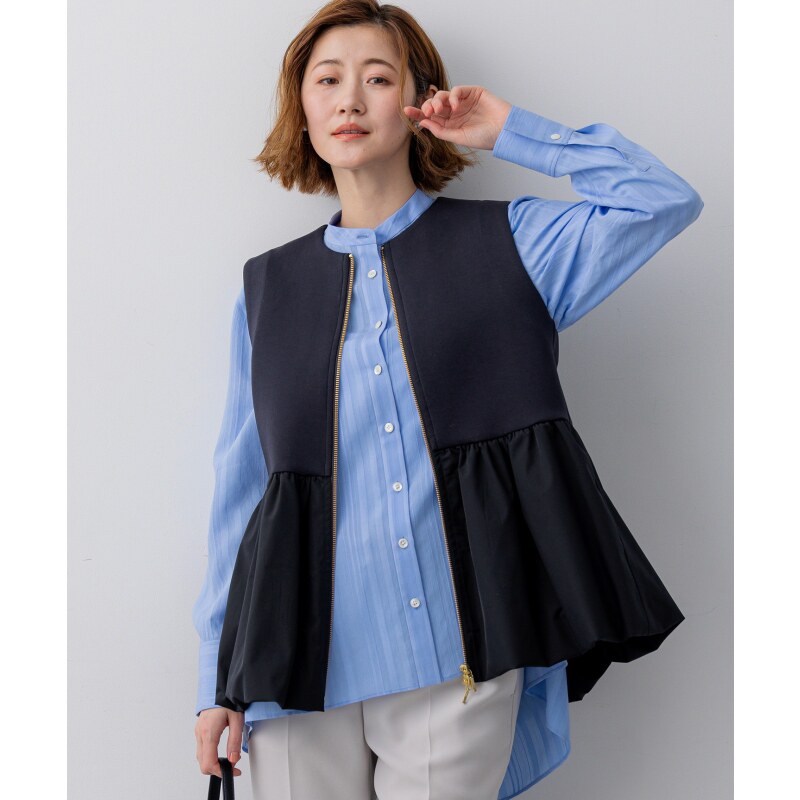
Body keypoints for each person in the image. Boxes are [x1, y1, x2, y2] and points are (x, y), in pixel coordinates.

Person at [192, 1, 704, 798]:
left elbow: (661, 201)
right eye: (326, 80)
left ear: (418, 100)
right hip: (292, 667)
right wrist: (216, 679)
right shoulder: (267, 289)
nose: (350, 99)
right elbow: (242, 495)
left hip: (456, 659)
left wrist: (512, 132)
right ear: (302, 108)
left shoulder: (513, 245)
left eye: (378, 78)